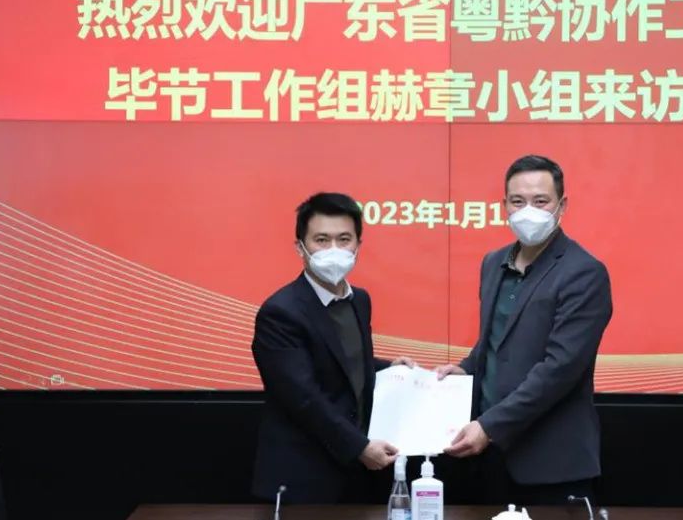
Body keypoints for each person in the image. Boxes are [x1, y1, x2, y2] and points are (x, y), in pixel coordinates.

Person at [436, 155, 613, 505]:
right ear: (504, 205)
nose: (528, 211)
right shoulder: (493, 263)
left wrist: (490, 426)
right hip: (488, 460)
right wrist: (466, 370)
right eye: (518, 201)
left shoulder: (584, 272)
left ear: (562, 205)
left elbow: (560, 369)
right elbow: (494, 341)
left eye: (540, 201)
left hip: (550, 463)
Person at [251, 192, 414, 503]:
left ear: (358, 245)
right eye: (322, 240)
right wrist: (360, 447)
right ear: (300, 247)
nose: (334, 250)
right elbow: (303, 398)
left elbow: (345, 362)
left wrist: (388, 368)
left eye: (344, 239)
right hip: (303, 476)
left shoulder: (359, 300)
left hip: (355, 475)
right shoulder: (281, 312)